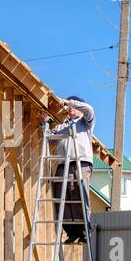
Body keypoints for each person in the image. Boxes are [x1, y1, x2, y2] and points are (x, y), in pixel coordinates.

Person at [39, 96, 95, 244]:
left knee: (79, 195)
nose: (71, 109)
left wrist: (67, 102)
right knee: (62, 197)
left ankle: (84, 231)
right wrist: (44, 123)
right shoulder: (62, 126)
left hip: (81, 162)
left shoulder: (85, 122)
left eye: (74, 107)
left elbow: (89, 109)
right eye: (69, 108)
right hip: (64, 164)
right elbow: (49, 137)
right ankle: (71, 232)